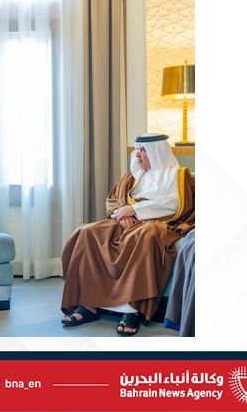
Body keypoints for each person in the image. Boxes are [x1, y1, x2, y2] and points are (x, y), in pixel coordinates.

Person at [60, 133, 195, 336]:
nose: (137, 154)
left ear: (157, 152)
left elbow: (175, 204)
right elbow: (114, 200)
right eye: (137, 150)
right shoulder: (133, 176)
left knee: (146, 235)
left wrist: (135, 210)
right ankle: (88, 305)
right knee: (86, 232)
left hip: (157, 222)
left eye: (143, 151)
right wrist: (120, 213)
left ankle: (131, 310)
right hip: (124, 221)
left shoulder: (178, 175)